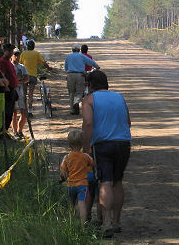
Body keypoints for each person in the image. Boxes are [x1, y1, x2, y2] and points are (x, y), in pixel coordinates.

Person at [82, 70, 131, 238]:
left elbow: (88, 124)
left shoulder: (89, 100)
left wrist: (86, 147)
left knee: (105, 182)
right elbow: (129, 122)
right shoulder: (120, 97)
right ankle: (117, 221)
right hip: (124, 143)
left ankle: (107, 223)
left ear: (90, 85)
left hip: (102, 145)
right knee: (117, 181)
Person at [60, 129, 95, 225]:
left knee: (70, 204)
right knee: (81, 204)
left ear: (69, 145)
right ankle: (84, 225)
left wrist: (63, 178)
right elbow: (93, 164)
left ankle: (70, 224)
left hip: (70, 185)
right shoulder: (85, 157)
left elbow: (63, 172)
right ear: (82, 144)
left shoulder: (66, 158)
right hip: (82, 185)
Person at [19, 39, 51, 117]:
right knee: (30, 94)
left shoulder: (23, 54)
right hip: (33, 76)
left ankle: (24, 110)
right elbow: (43, 63)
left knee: (23, 94)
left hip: (24, 76)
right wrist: (48, 68)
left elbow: (20, 64)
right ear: (34, 46)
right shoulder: (36, 54)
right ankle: (30, 111)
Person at [65, 44, 99, 115]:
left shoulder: (68, 57)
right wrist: (97, 67)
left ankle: (72, 110)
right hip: (80, 75)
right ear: (79, 50)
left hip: (70, 75)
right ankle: (76, 102)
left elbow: (66, 67)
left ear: (72, 50)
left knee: (71, 92)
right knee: (79, 92)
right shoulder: (82, 56)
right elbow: (91, 62)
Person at [0, 44, 18, 135]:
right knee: (7, 112)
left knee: (10, 113)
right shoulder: (2, 62)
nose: (11, 53)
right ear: (4, 50)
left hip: (12, 89)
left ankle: (5, 132)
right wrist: (7, 89)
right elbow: (2, 75)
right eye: (9, 51)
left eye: (12, 51)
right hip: (7, 90)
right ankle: (3, 133)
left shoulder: (8, 61)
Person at [11, 49, 29, 139]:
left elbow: (27, 78)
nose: (17, 57)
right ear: (12, 55)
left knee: (24, 112)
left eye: (18, 55)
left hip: (21, 90)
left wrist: (20, 80)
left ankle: (20, 130)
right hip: (12, 91)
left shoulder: (22, 67)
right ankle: (14, 131)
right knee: (14, 112)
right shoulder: (10, 66)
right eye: (15, 55)